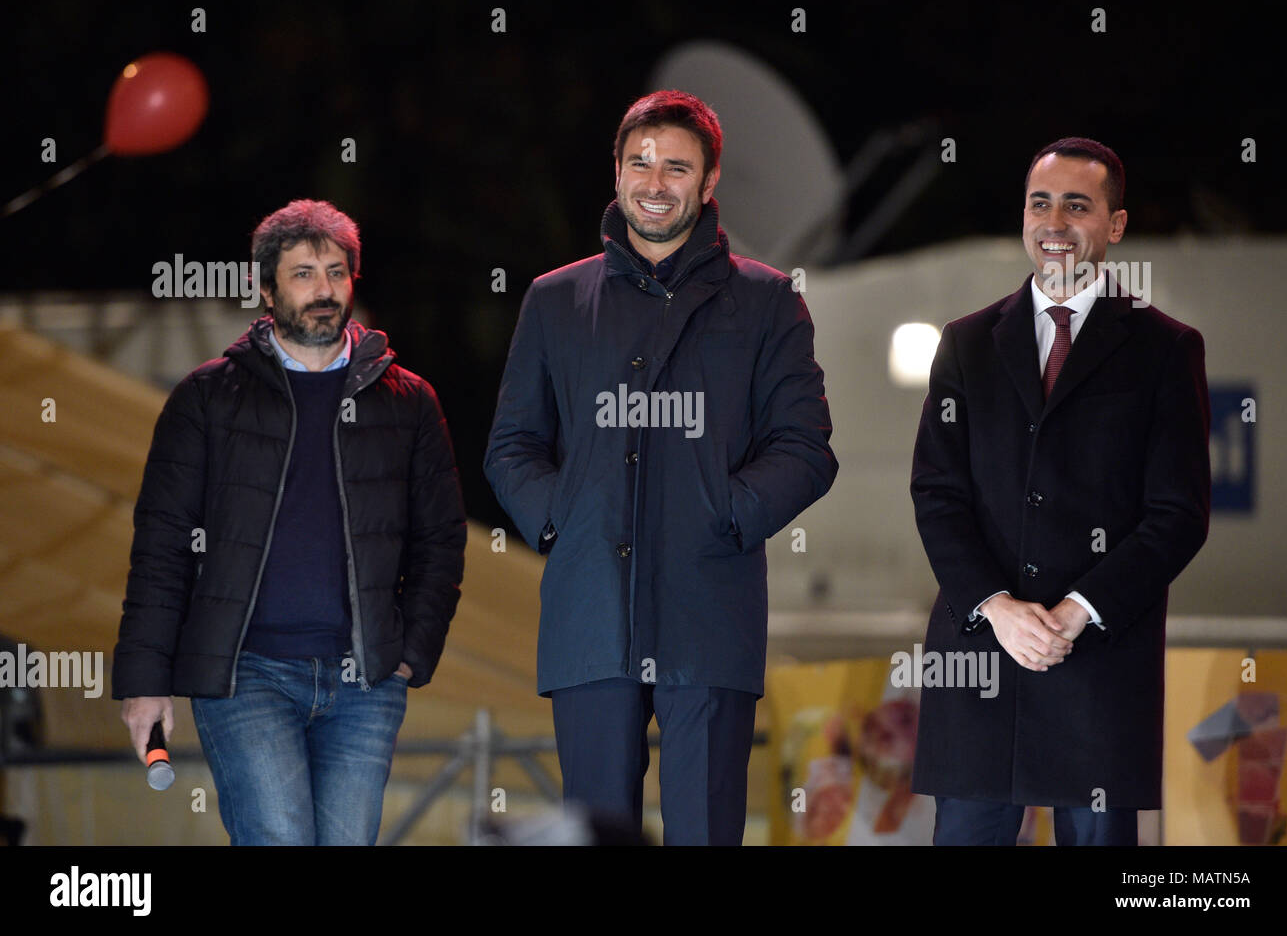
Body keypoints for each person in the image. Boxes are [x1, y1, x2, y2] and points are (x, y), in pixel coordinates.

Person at [485, 90, 837, 845]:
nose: (655, 180)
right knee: (595, 834)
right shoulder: (555, 300)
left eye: (676, 166)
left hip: (709, 612)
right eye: (639, 162)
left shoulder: (768, 301)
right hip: (589, 616)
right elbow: (510, 445)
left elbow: (806, 448)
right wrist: (563, 518)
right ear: (615, 172)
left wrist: (726, 515)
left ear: (709, 183)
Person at [113, 199, 466, 845]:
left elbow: (441, 537)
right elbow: (161, 544)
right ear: (266, 287)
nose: (323, 289)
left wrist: (413, 651)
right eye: (303, 274)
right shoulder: (205, 397)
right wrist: (143, 680)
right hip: (245, 671)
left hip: (366, 680)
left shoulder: (410, 402)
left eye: (336, 271)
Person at [909, 138, 1211, 845]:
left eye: (1077, 205)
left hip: (1099, 671)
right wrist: (998, 607)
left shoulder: (1165, 349)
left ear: (1116, 225)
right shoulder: (966, 343)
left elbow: (1178, 514)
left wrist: (1076, 612)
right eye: (1040, 203)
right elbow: (937, 493)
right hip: (980, 659)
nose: (1054, 222)